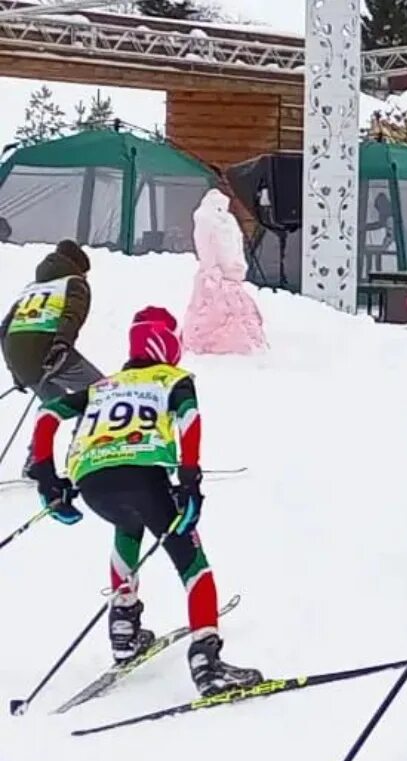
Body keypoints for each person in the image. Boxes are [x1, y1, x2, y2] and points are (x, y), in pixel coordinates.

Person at [26, 308, 261, 696]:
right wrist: (189, 479)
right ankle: (207, 659)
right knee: (193, 565)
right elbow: (189, 420)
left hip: (92, 481)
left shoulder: (104, 386)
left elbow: (49, 413)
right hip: (146, 477)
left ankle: (123, 626)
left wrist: (47, 476)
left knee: (127, 525)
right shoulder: (173, 379)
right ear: (166, 342)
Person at [2, 239, 104, 400]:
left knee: (56, 407)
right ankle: (89, 424)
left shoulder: (32, 288)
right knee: (101, 394)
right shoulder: (74, 283)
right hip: (49, 349)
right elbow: (72, 316)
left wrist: (14, 368)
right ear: (78, 268)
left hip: (18, 357)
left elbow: (5, 328)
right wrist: (61, 344)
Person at [184, 189, 267, 355]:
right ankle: (215, 342)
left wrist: (234, 267)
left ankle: (225, 342)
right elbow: (209, 246)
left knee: (228, 310)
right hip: (220, 274)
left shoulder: (224, 221)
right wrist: (214, 270)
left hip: (226, 274)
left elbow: (232, 244)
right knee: (216, 310)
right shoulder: (208, 219)